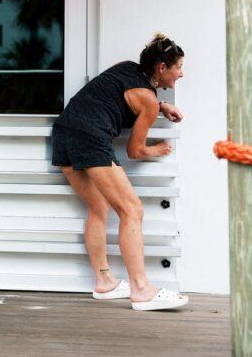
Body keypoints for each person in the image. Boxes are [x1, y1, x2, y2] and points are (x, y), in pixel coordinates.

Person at [51, 33, 189, 311]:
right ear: (162, 68)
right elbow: (135, 151)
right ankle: (141, 289)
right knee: (132, 210)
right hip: (90, 138)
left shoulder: (126, 68)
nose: (181, 74)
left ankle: (105, 282)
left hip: (64, 134)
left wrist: (161, 106)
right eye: (178, 67)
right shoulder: (148, 100)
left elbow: (125, 93)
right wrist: (158, 149)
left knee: (98, 206)